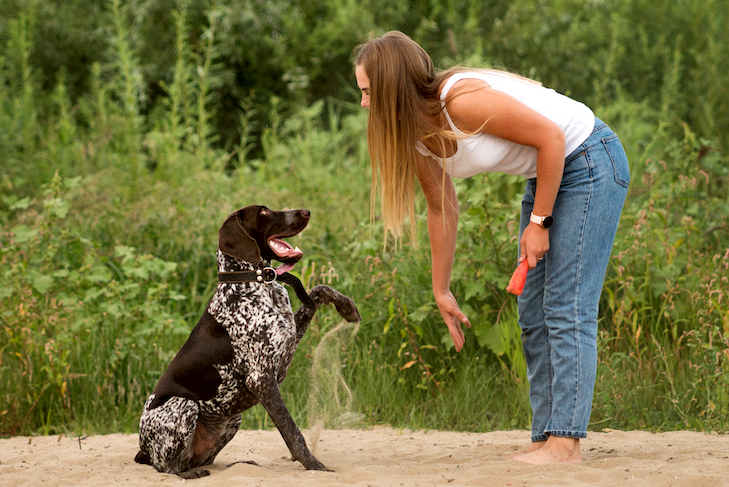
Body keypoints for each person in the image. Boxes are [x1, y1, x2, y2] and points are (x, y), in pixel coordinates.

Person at [353, 31, 629, 464]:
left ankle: (565, 444)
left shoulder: (459, 101)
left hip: (588, 160)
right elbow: (442, 208)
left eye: (368, 93)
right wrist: (440, 290)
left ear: (391, 87)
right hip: (548, 174)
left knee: (565, 304)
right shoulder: (417, 135)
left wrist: (539, 223)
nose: (364, 104)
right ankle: (547, 436)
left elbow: (553, 139)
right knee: (533, 311)